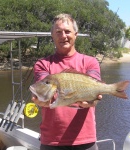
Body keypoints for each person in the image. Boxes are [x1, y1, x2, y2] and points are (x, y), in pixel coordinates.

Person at [32, 13, 102, 150]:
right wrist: (41, 99)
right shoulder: (42, 64)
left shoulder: (90, 62)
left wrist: (93, 100)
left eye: (67, 31)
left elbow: (96, 89)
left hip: (85, 140)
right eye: (58, 32)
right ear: (52, 35)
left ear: (76, 34)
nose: (63, 36)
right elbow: (44, 88)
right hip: (52, 142)